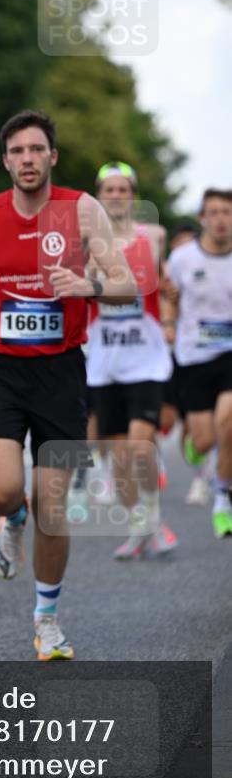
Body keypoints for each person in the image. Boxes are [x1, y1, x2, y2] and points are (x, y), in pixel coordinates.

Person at [0, 109, 135, 661]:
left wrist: (85, 285)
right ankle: (13, 518)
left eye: (36, 149)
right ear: (5, 161)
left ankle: (47, 621)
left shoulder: (81, 209)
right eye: (17, 151)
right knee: (3, 490)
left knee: (53, 506)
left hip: (61, 371)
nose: (27, 159)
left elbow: (126, 284)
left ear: (52, 156)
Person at [86, 162, 178, 559]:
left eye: (123, 189)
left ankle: (153, 520)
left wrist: (170, 319)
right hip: (105, 361)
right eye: (109, 190)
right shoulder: (86, 241)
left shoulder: (153, 236)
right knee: (120, 458)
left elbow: (166, 287)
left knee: (141, 448)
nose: (116, 196)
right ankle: (142, 526)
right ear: (99, 196)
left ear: (133, 195)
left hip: (146, 359)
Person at [164, 189, 232, 538]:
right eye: (214, 212)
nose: (221, 219)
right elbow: (169, 297)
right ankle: (198, 449)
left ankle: (222, 497)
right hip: (193, 355)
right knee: (204, 440)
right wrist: (169, 323)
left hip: (230, 355)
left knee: (229, 423)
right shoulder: (182, 258)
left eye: (227, 212)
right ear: (203, 218)